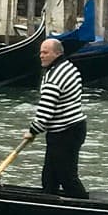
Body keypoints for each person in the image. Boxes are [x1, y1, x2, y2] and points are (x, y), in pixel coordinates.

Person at [26, 37, 88, 198]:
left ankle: (84, 209)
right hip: (70, 129)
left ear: (57, 53)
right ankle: (48, 205)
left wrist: (32, 131)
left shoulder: (53, 78)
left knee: (66, 177)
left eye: (45, 52)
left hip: (65, 132)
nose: (41, 55)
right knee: (50, 176)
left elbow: (45, 112)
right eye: (40, 52)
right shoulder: (69, 67)